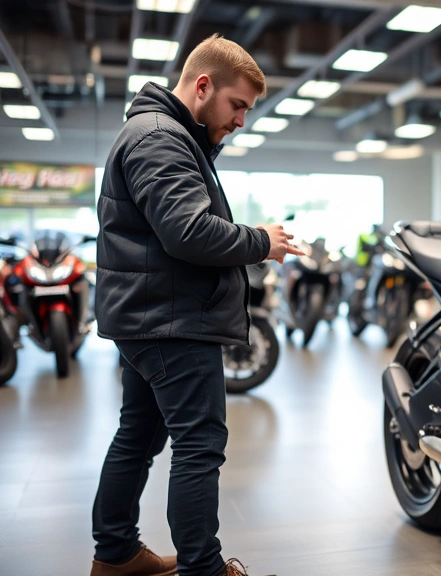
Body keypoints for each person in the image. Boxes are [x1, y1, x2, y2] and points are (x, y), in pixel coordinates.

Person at [91, 34, 301, 576]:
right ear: (203, 85)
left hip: (154, 313)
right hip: (172, 320)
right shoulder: (161, 139)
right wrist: (261, 240)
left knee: (138, 434)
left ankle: (115, 554)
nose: (241, 120)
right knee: (199, 443)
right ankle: (203, 570)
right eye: (238, 105)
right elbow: (187, 232)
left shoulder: (166, 135)